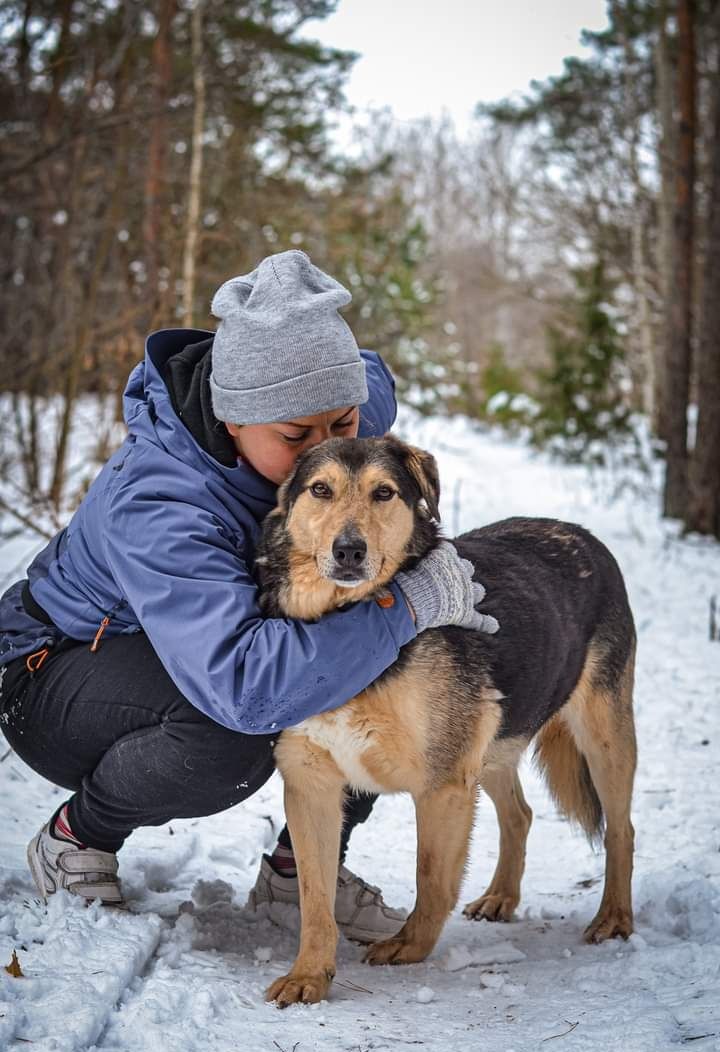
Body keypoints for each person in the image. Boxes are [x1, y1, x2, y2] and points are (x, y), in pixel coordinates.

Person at [0, 250, 495, 943]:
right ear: (232, 418)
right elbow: (242, 683)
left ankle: (301, 875)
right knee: (240, 725)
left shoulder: (331, 405)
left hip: (189, 638)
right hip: (64, 670)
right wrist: (406, 604)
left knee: (365, 668)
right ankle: (78, 836)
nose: (323, 453)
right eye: (296, 439)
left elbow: (369, 378)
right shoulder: (161, 502)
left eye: (343, 427)